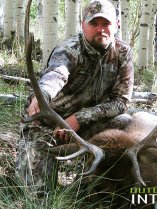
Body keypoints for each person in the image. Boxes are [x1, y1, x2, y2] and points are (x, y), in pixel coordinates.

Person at [17, 0, 134, 194]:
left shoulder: (123, 53)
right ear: (83, 25)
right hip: (48, 126)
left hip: (87, 125)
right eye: (94, 24)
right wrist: (42, 95)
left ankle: (95, 175)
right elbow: (56, 74)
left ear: (116, 25)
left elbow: (121, 101)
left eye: (106, 24)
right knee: (37, 194)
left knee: (125, 123)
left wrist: (80, 118)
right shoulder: (69, 50)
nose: (100, 30)